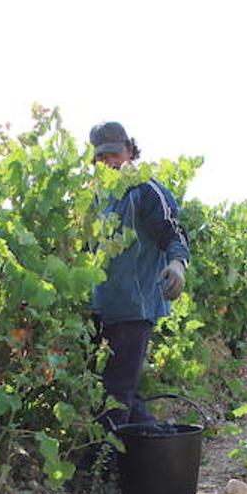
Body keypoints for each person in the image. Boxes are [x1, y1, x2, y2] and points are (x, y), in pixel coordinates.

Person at [88, 121, 191, 431]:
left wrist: (177, 265)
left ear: (130, 150)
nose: (109, 162)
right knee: (111, 392)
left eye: (115, 154)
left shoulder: (147, 190)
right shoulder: (94, 197)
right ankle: (162, 445)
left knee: (116, 393)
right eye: (102, 157)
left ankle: (103, 471)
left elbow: (173, 233)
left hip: (135, 307)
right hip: (99, 308)